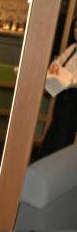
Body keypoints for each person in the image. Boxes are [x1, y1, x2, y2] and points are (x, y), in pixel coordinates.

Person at [40, 17, 77, 157]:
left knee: (63, 136)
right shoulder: (72, 48)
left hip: (73, 100)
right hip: (63, 96)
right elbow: (58, 61)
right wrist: (55, 67)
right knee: (55, 130)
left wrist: (64, 76)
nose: (76, 31)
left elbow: (74, 80)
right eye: (75, 27)